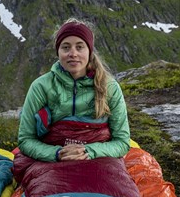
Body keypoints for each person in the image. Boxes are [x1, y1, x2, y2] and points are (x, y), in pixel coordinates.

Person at [18, 18, 130, 162]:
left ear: (89, 51)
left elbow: (122, 142)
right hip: (53, 160)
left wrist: (88, 151)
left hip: (98, 160)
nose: (73, 53)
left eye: (80, 47)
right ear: (58, 51)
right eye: (66, 47)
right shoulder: (41, 87)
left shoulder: (109, 87)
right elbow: (26, 139)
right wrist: (58, 153)